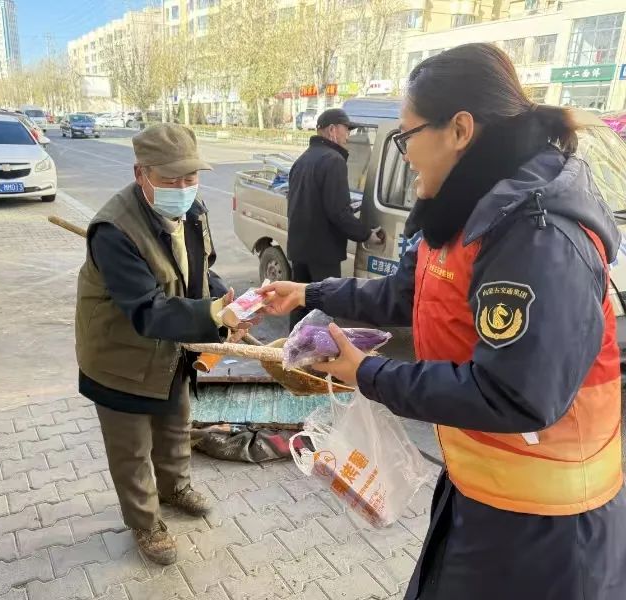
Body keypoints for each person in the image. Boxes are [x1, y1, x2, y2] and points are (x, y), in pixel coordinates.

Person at [260, 43, 626, 599]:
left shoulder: (535, 233)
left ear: (459, 130)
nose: (405, 153)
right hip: (482, 491)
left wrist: (368, 373)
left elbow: (514, 394)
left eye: (407, 135)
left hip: (547, 528)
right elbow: (406, 294)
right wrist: (310, 292)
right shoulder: (465, 208)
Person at [75, 123, 242, 565]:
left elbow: (201, 271)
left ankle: (175, 488)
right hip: (120, 356)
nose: (183, 188)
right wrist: (212, 315)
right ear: (141, 173)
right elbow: (147, 310)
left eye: (190, 177)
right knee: (131, 448)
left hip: (171, 346)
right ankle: (145, 523)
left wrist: (228, 303)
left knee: (175, 424)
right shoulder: (114, 230)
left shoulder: (193, 211)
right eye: (170, 179)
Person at [286, 107, 381, 328]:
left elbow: (306, 202)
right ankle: (318, 350)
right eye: (346, 129)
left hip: (299, 248)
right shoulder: (333, 160)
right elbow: (338, 212)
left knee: (299, 304)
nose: (348, 136)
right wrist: (366, 234)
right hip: (323, 252)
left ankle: (294, 347)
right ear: (332, 130)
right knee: (324, 309)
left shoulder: (303, 159)